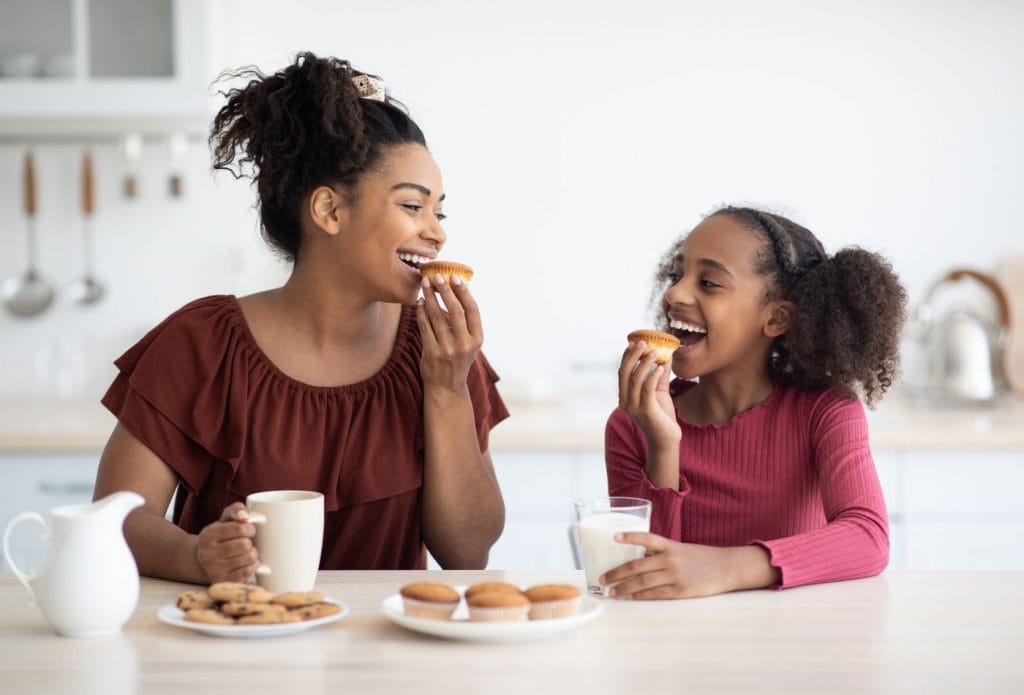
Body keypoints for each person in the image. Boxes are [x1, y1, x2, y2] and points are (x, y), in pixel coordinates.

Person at [92, 53, 508, 584]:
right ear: (330, 212)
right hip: (233, 645)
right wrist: (195, 556)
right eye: (412, 207)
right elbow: (117, 519)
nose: (438, 233)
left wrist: (448, 389)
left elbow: (468, 554)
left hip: (388, 656)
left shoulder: (441, 350)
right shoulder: (201, 344)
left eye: (439, 211)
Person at [604, 206, 907, 599]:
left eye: (709, 282)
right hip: (676, 649)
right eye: (677, 275)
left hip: (795, 644)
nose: (675, 293)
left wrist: (726, 566)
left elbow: (868, 537)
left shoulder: (825, 412)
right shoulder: (632, 424)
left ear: (777, 318)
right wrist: (663, 445)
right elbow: (643, 577)